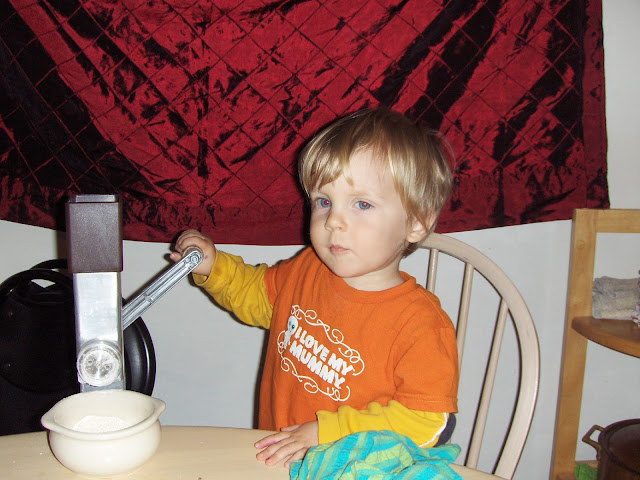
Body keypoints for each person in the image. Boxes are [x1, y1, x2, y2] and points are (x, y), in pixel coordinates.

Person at [170, 108, 459, 468]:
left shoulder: (421, 325)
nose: (334, 221)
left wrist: (326, 431)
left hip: (354, 471)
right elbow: (257, 295)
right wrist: (213, 266)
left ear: (416, 224)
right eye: (324, 202)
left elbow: (429, 422)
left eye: (362, 204)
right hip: (279, 461)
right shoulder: (308, 267)